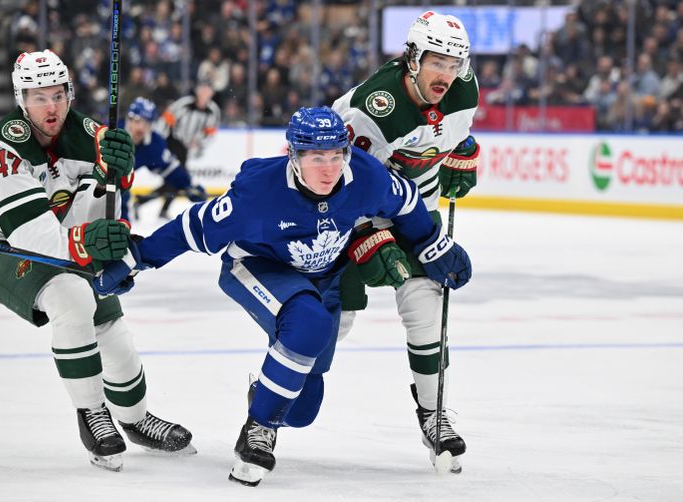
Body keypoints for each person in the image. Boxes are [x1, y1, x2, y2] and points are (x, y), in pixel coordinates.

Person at [92, 106, 472, 486]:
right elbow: (191, 229)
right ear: (293, 155)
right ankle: (258, 430)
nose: (329, 168)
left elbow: (405, 203)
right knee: (309, 323)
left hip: (324, 279)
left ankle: (265, 395)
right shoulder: (260, 192)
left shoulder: (366, 178)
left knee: (304, 410)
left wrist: (431, 244)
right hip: (258, 267)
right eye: (316, 158)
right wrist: (134, 260)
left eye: (336, 155)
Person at [0, 50, 193, 472]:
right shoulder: (3, 147)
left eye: (57, 95)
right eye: (37, 97)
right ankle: (92, 413)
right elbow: (31, 236)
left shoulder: (92, 133)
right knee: (71, 297)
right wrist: (89, 243)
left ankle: (136, 419)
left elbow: (98, 208)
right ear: (21, 100)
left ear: (69, 92)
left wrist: (117, 177)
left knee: (110, 320)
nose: (50, 107)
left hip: (61, 236)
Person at [332, 10, 480, 473]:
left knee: (425, 304)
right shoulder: (375, 108)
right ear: (412, 58)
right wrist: (365, 234)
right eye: (437, 62)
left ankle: (434, 414)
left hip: (416, 209)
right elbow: (340, 182)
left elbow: (450, 136)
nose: (447, 74)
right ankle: (273, 399)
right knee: (335, 322)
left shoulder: (464, 89)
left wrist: (463, 154)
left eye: (455, 64)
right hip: (343, 213)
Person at [122, 97, 206, 222]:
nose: (140, 127)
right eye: (137, 121)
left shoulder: (154, 146)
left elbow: (171, 170)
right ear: (129, 120)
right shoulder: (113, 133)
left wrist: (188, 186)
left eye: (146, 123)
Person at [153, 80, 220, 219]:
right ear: (196, 90)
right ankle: (161, 209)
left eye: (207, 90)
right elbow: (166, 119)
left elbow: (211, 134)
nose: (204, 93)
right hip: (172, 142)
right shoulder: (184, 103)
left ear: (212, 93)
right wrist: (159, 142)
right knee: (179, 178)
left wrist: (200, 142)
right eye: (202, 89)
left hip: (186, 148)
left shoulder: (213, 111)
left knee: (174, 180)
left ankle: (143, 201)